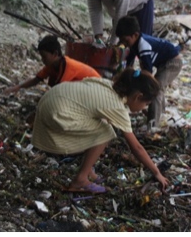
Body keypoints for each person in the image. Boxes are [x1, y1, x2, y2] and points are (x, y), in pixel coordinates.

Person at [32, 68, 170, 194]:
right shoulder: (116, 106)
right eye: (146, 104)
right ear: (137, 97)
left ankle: (88, 170)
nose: (144, 108)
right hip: (56, 112)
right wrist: (156, 173)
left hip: (49, 99)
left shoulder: (108, 85)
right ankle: (80, 179)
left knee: (99, 123)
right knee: (106, 131)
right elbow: (137, 148)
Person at [116, 16, 182, 130]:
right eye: (122, 41)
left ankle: (153, 124)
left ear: (135, 35)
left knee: (155, 89)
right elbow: (129, 64)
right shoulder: (134, 45)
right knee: (157, 87)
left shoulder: (143, 45)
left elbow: (147, 72)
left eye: (126, 40)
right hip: (164, 63)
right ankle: (160, 115)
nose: (124, 43)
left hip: (172, 63)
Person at [4, 35, 100, 95]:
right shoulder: (52, 65)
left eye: (44, 57)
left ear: (55, 54)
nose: (42, 60)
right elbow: (37, 79)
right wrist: (17, 87)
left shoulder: (68, 66)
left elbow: (58, 91)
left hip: (96, 90)